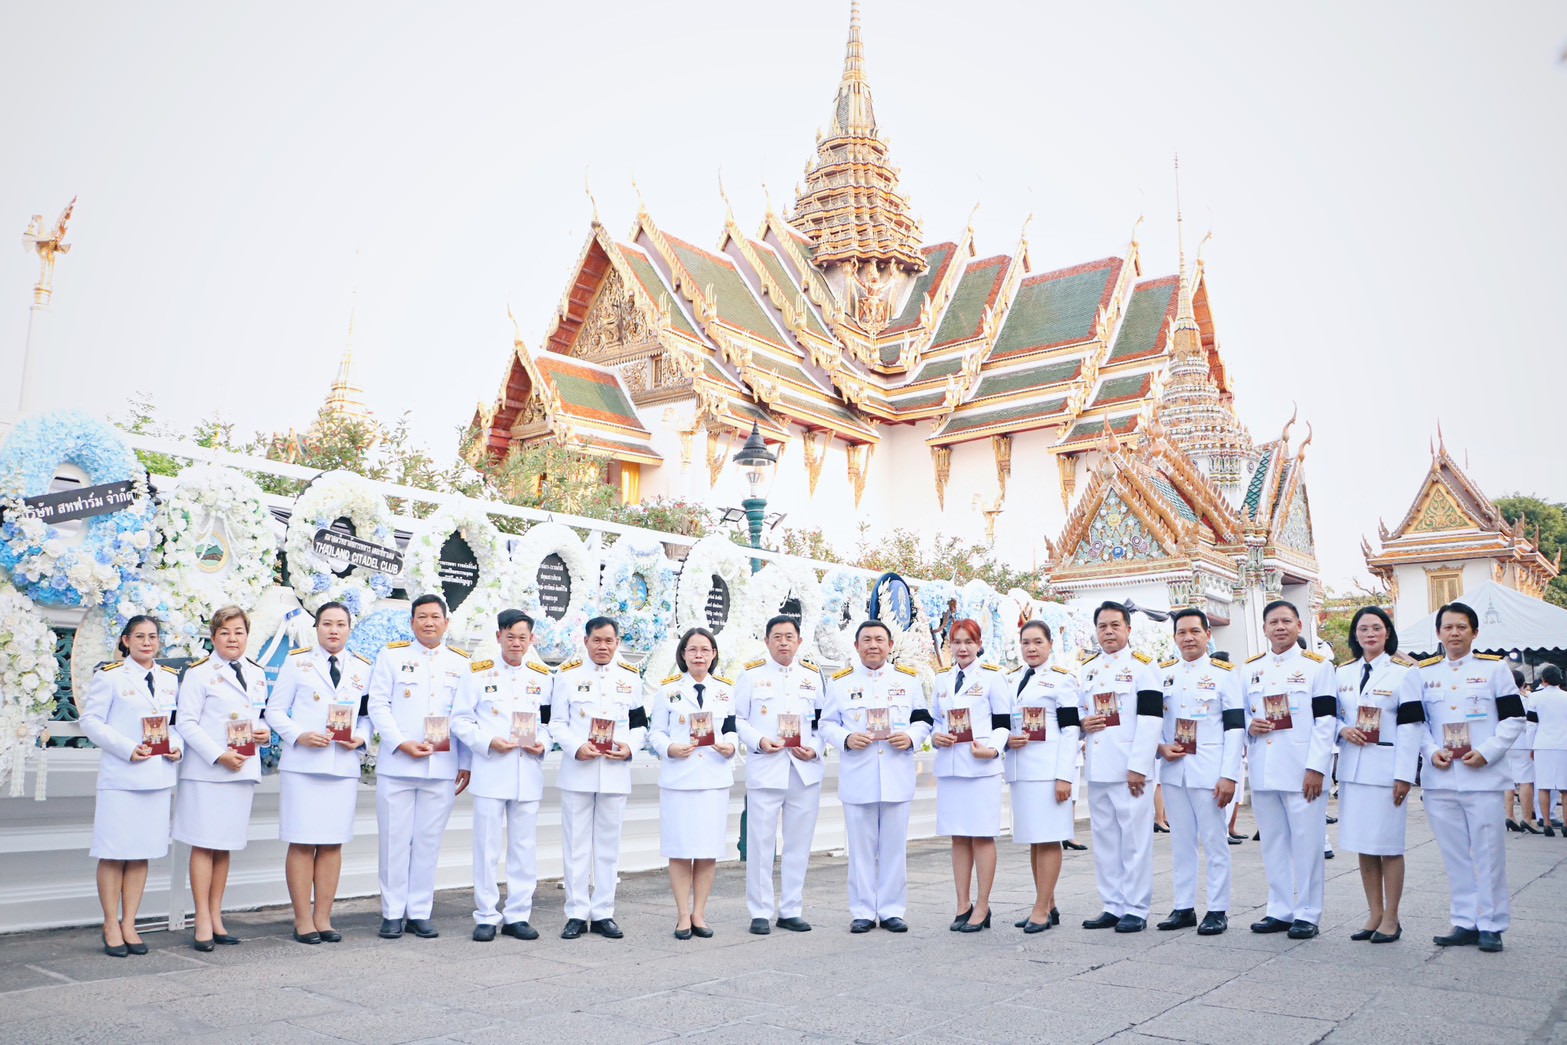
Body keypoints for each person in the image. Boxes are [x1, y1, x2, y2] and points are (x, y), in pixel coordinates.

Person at [1419, 601, 1526, 953]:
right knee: (1454, 855)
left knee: (1488, 852)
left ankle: (1492, 923)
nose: (1454, 633)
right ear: (1438, 633)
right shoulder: (1424, 673)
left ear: (1474, 632)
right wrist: (1430, 750)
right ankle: (1464, 920)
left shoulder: (1495, 670)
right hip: (1442, 778)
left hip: (1482, 776)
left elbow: (1513, 719)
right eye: (1447, 627)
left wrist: (1489, 751)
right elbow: (1417, 724)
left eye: (1461, 627)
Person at [366, 594, 472, 940]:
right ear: (412, 622)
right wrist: (399, 743)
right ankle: (392, 912)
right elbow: (378, 704)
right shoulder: (392, 656)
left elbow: (466, 715)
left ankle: (420, 912)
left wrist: (466, 762)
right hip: (398, 764)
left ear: (446, 622)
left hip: (442, 766)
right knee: (394, 840)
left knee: (428, 841)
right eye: (422, 617)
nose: (429, 622)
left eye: (435, 617)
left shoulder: (461, 662)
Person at [265, 601, 371, 944]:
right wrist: (299, 735)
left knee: (331, 843)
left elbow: (369, 716)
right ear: (317, 628)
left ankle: (324, 917)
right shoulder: (298, 663)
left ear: (349, 629)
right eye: (327, 624)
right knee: (302, 841)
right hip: (304, 766)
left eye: (341, 624)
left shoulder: (362, 668)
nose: (334, 630)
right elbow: (275, 711)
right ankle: (302, 919)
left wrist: (362, 738)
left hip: (342, 766)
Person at [820, 620, 932, 933]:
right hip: (859, 775)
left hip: (896, 774)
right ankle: (863, 911)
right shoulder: (840, 683)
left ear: (890, 645)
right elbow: (826, 723)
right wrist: (845, 738)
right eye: (866, 640)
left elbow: (923, 719)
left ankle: (893, 909)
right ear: (856, 646)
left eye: (879, 640)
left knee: (895, 849)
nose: (873, 645)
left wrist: (910, 736)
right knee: (860, 850)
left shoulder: (908, 681)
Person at [80, 615, 183, 957]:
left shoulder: (169, 679)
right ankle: (111, 923)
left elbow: (177, 722)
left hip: (156, 777)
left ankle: (130, 923)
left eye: (152, 636)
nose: (146, 642)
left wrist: (176, 745)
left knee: (141, 853)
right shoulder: (109, 677)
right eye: (139, 636)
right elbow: (90, 721)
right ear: (125, 641)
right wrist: (126, 748)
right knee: (113, 852)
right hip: (122, 778)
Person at [451, 609, 555, 942]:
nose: (516, 643)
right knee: (487, 847)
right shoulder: (478, 673)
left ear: (531, 640)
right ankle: (485, 915)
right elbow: (460, 721)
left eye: (522, 638)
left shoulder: (542, 676)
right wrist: (487, 742)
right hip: (492, 769)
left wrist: (545, 743)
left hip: (527, 771)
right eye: (510, 637)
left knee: (524, 847)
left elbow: (552, 724)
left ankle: (518, 915)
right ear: (498, 637)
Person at [172, 606, 272, 951]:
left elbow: (260, 718)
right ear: (214, 637)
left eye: (239, 632)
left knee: (225, 845)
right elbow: (185, 723)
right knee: (204, 843)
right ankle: (200, 918)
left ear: (247, 636)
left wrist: (264, 733)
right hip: (208, 772)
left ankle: (216, 916)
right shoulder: (199, 674)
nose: (233, 638)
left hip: (242, 768)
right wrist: (217, 754)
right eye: (226, 632)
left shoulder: (256, 673)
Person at [1242, 599, 1337, 940]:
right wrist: (1249, 725)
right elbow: (1238, 716)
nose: (1279, 627)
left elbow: (1327, 722)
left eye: (1286, 621)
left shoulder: (1318, 667)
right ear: (1265, 628)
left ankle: (1308, 912)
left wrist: (1316, 768)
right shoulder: (1250, 669)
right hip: (1265, 769)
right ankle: (1279, 909)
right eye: (1273, 622)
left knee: (1308, 844)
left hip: (1302, 772)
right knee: (1273, 843)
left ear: (1299, 625)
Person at [549, 616, 647, 940]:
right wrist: (576, 747)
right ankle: (576, 912)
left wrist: (629, 747)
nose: (603, 646)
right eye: (597, 640)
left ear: (617, 643)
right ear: (586, 641)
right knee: (576, 846)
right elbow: (557, 723)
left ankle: (604, 912)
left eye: (609, 640)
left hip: (615, 773)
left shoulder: (631, 679)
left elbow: (639, 726)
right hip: (578, 771)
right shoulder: (567, 675)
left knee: (608, 847)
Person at [1333, 606, 1424, 944]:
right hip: (1353, 768)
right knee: (1363, 845)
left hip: (1386, 768)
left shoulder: (1404, 673)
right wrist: (1342, 729)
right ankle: (1373, 913)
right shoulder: (1342, 673)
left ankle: (1392, 917)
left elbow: (1412, 726)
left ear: (1387, 633)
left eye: (1376, 628)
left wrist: (1404, 774)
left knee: (1388, 845)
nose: (1369, 634)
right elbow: (1329, 716)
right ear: (1355, 635)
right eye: (1363, 629)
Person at [1153, 608, 1244, 936]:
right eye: (1181, 632)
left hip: (1209, 773)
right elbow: (1155, 725)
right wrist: (1160, 749)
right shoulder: (1163, 674)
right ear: (1174, 637)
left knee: (1215, 841)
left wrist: (1229, 775)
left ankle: (1218, 909)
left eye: (1195, 631)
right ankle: (1183, 906)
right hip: (1174, 771)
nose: (1188, 637)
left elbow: (1235, 728)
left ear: (1207, 634)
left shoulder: (1224, 674)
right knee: (1181, 843)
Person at [734, 615, 826, 935]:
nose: (784, 641)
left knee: (798, 844)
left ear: (799, 642)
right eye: (777, 636)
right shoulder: (751, 675)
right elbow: (738, 719)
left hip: (803, 770)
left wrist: (814, 748)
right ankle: (760, 911)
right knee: (761, 843)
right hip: (767, 767)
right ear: (767, 641)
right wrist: (758, 741)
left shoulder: (813, 677)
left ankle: (791, 909)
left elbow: (822, 724)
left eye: (789, 636)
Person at [1077, 602, 1164, 933]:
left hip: (1131, 770)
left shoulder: (1144, 667)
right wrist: (1084, 723)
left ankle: (1137, 908)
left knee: (1135, 840)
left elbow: (1152, 718)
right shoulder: (1087, 669)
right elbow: (1077, 717)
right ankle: (1112, 904)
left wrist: (1139, 766)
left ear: (1128, 629)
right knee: (1105, 839)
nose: (1108, 631)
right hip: (1098, 766)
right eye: (1102, 626)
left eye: (1115, 625)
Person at [647, 626, 737, 940]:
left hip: (713, 778)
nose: (699, 655)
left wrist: (731, 746)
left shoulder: (726, 689)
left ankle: (700, 912)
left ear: (713, 655)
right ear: (683, 655)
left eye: (705, 650)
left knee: (708, 849)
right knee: (681, 848)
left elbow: (731, 728)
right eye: (692, 649)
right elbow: (655, 732)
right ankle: (682, 915)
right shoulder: (667, 690)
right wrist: (668, 748)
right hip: (679, 780)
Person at [931, 618, 1009, 933]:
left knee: (982, 835)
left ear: (979, 644)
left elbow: (1004, 722)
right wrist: (937, 736)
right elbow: (936, 719)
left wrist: (992, 749)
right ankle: (962, 904)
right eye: (956, 642)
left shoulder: (993, 677)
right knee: (959, 836)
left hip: (980, 768)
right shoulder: (942, 679)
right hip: (950, 768)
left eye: (968, 641)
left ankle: (983, 904)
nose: (962, 648)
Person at [1003, 620, 1081, 933]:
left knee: (1049, 838)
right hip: (1022, 771)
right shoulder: (1013, 679)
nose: (1031, 648)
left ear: (1050, 644)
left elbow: (1071, 729)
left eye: (1037, 642)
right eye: (1025, 643)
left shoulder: (1062, 681)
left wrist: (1064, 777)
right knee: (1035, 840)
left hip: (1049, 772)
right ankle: (1048, 903)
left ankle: (1040, 910)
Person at [1529, 665, 1567, 838]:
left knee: (1544, 786)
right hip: (1564, 745)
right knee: (1565, 789)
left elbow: (1531, 726)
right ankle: (1566, 824)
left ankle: (1547, 824)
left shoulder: (1535, 698)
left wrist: (1531, 746)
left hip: (1542, 744)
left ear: (1543, 679)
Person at [1507, 672, 1538, 833]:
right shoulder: (1526, 700)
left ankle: (1509, 816)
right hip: (1523, 743)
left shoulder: (1502, 699)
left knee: (1507, 781)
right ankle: (1527, 819)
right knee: (1526, 781)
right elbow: (1530, 724)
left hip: (1505, 744)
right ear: (1522, 684)